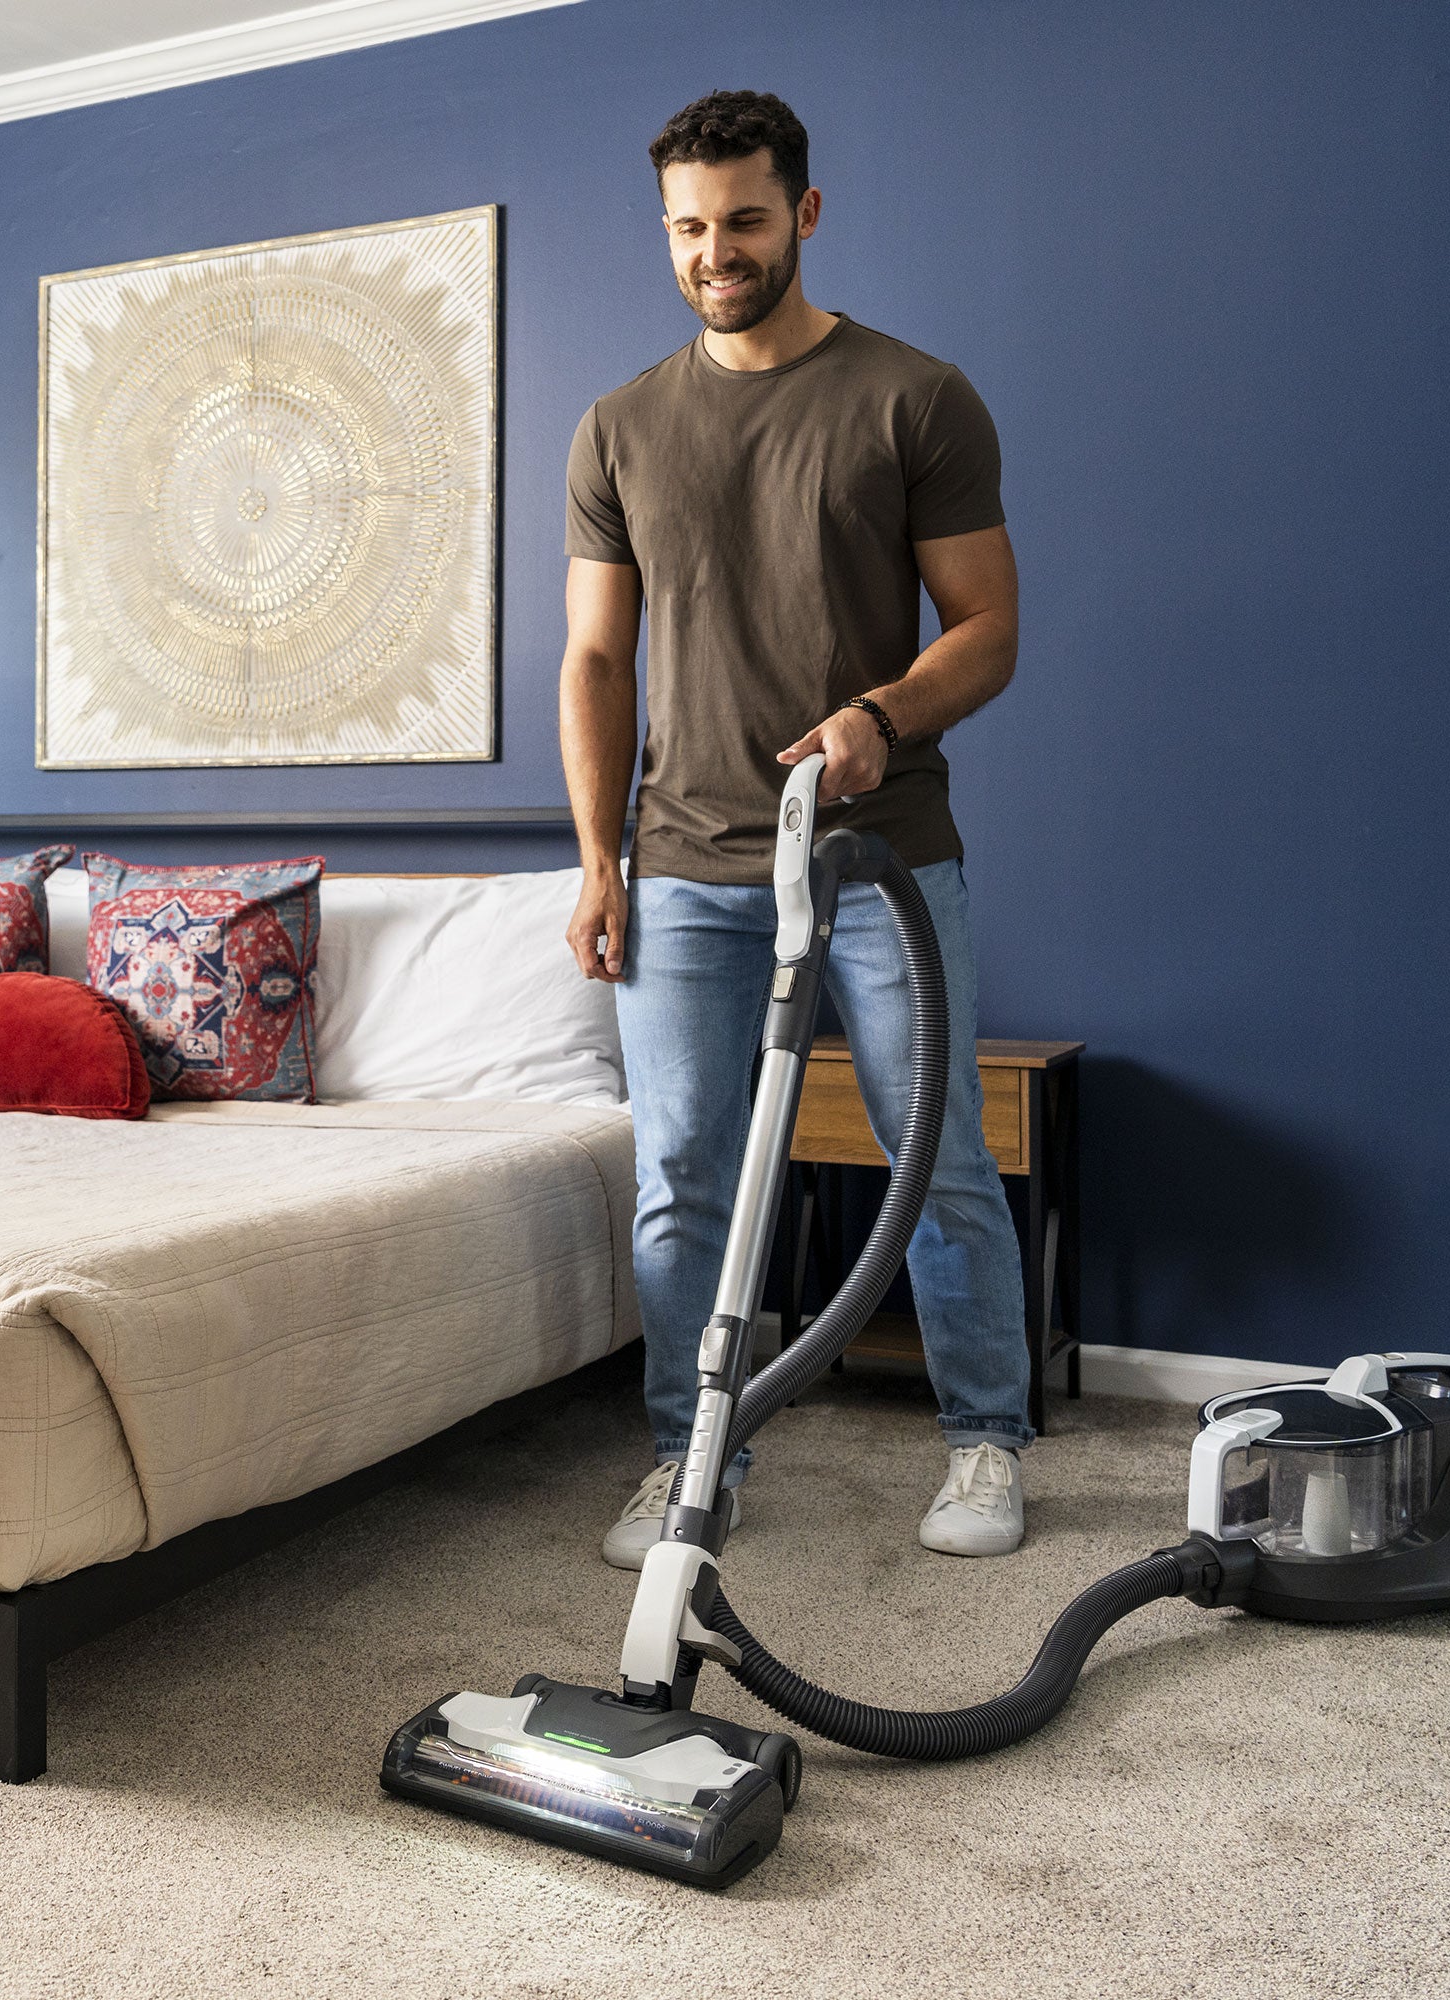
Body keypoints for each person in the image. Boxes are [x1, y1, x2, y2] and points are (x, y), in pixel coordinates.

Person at [559, 89, 1032, 1571]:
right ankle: (689, 1453)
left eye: (745, 221)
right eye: (690, 229)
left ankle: (983, 1443)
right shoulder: (621, 425)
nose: (717, 252)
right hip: (689, 862)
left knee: (930, 1154)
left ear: (805, 215)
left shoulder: (915, 397)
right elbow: (592, 662)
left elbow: (991, 631)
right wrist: (596, 860)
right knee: (684, 1173)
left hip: (879, 851)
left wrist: (879, 718)